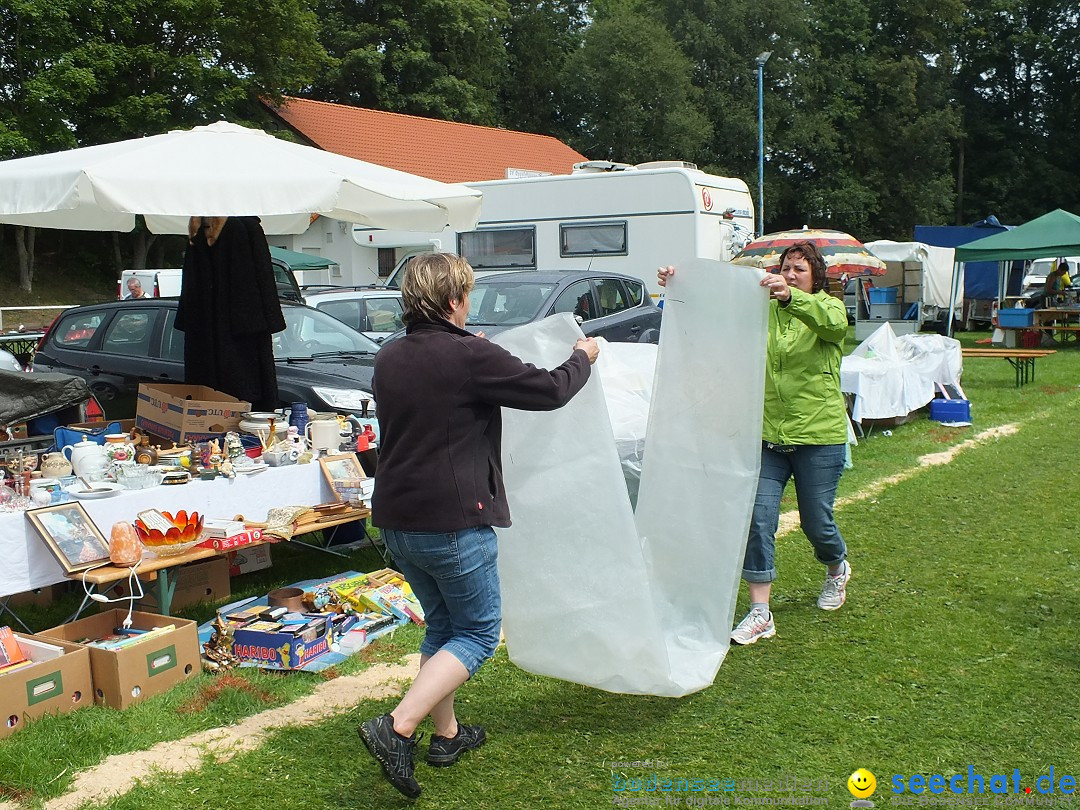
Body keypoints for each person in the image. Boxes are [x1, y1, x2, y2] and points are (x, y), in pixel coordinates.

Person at [359, 252, 599, 799]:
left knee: (443, 628)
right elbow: (549, 390)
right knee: (477, 633)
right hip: (452, 521)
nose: (469, 305)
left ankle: (447, 735)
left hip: (399, 521)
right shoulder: (468, 354)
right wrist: (582, 356)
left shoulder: (389, 356)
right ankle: (398, 725)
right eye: (466, 295)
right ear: (453, 301)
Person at [657, 241, 851, 648]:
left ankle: (836, 567)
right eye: (785, 267)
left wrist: (790, 296)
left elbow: (831, 326)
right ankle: (760, 612)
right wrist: (680, 285)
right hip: (765, 436)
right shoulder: (758, 311)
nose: (790, 273)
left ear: (815, 276)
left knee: (817, 522)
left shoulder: (829, 308)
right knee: (757, 521)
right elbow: (713, 315)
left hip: (818, 435)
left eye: (799, 269)